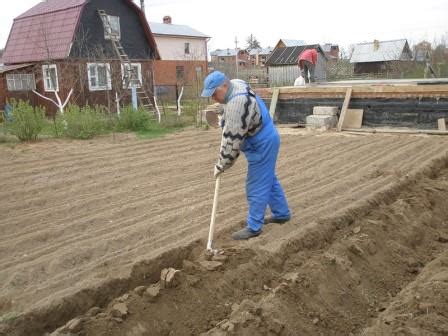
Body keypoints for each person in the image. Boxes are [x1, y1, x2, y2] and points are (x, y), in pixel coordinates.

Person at [201, 71, 291, 240]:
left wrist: (221, 165)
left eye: (214, 93)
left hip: (261, 144)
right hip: (264, 136)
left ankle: (254, 226)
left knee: (256, 185)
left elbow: (231, 144)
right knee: (268, 179)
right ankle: (282, 214)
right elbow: (236, 106)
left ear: (224, 86)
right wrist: (222, 108)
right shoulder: (236, 83)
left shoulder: (237, 103)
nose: (213, 98)